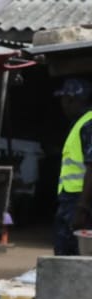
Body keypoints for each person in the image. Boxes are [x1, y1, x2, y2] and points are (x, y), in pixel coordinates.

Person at [53, 77, 92, 256]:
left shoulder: (88, 124)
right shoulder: (80, 123)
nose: (62, 105)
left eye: (64, 99)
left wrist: (81, 207)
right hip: (72, 199)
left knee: (73, 257)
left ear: (72, 99)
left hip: (79, 201)